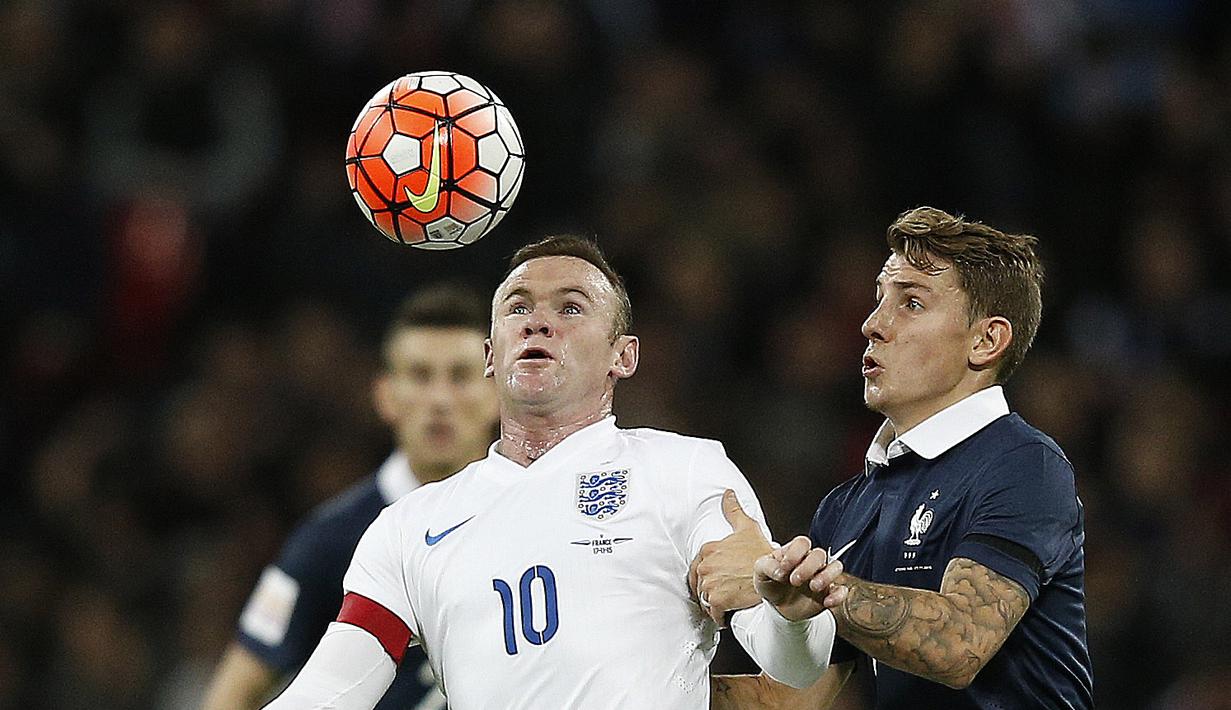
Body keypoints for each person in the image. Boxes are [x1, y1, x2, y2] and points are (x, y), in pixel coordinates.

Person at [262, 235, 839, 710]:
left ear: (623, 356)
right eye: (518, 308)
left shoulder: (682, 471)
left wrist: (792, 618)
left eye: (570, 307)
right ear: (490, 355)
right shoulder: (408, 527)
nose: (538, 322)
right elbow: (327, 694)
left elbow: (794, 666)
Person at [694, 206, 1093, 709]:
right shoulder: (848, 505)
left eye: (912, 303)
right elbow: (788, 703)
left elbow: (960, 643)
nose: (872, 325)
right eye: (879, 299)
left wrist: (796, 580)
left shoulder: (1023, 464)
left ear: (986, 340)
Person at [201, 284, 499, 710]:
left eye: (460, 376)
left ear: (497, 392)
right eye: (420, 375)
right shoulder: (330, 541)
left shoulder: (535, 516)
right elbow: (233, 691)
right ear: (385, 396)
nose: (439, 399)